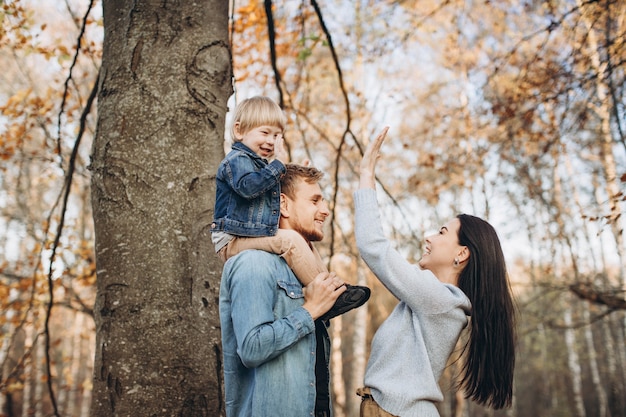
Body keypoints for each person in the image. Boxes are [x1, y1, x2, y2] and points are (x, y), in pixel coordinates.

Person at [354, 127, 516, 417]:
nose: (429, 237)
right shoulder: (435, 299)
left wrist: (367, 174)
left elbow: (373, 247)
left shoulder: (438, 299)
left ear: (461, 254)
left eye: (442, 232)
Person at [211, 96, 370, 320]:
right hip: (232, 240)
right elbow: (248, 188)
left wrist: (293, 176)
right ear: (239, 131)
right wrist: (279, 166)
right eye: (265, 133)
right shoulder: (236, 161)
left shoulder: (259, 166)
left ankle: (331, 288)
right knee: (290, 240)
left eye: (277, 136)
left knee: (302, 242)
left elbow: (267, 192)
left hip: (248, 234)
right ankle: (329, 295)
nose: (271, 141)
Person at [220, 163, 345, 417]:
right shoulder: (254, 263)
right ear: (284, 205)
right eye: (315, 201)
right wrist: (309, 312)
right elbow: (252, 348)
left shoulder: (300, 271)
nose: (325, 210)